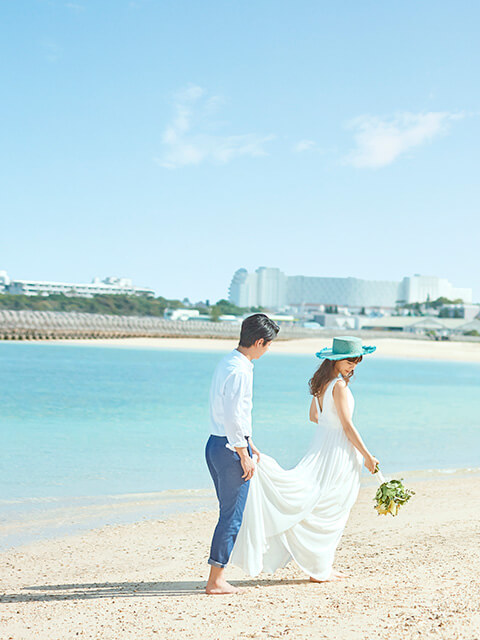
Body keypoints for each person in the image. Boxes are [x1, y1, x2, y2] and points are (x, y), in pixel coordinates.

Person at [230, 336, 379, 583]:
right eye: (350, 360)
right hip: (337, 452)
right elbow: (348, 426)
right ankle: (320, 569)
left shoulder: (322, 385)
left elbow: (314, 416)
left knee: (323, 504)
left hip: (323, 446)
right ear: (336, 360)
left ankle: (322, 566)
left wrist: (329, 428)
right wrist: (367, 456)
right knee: (331, 508)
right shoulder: (339, 386)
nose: (354, 365)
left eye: (357, 361)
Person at [205, 313, 280, 595]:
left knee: (229, 513)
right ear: (259, 342)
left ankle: (217, 575)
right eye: (268, 344)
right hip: (228, 449)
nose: (268, 350)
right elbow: (234, 415)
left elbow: (231, 414)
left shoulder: (229, 361)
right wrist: (243, 452)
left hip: (216, 443)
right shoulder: (239, 370)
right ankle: (216, 580)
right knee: (231, 516)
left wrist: (249, 443)